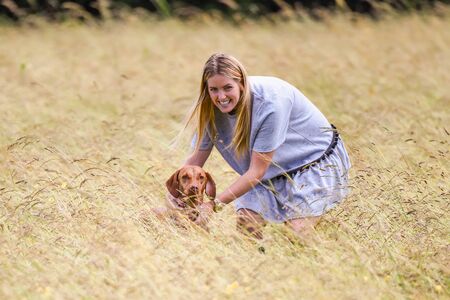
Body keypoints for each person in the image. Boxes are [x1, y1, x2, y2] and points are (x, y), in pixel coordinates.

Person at [176, 53, 351, 241]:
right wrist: (175, 202)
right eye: (214, 89)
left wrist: (213, 205)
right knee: (246, 225)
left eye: (228, 87)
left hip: (310, 163)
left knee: (296, 235)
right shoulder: (209, 107)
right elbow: (195, 162)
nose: (221, 96)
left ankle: (331, 241)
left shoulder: (270, 104)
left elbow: (257, 172)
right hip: (267, 172)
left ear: (242, 83)